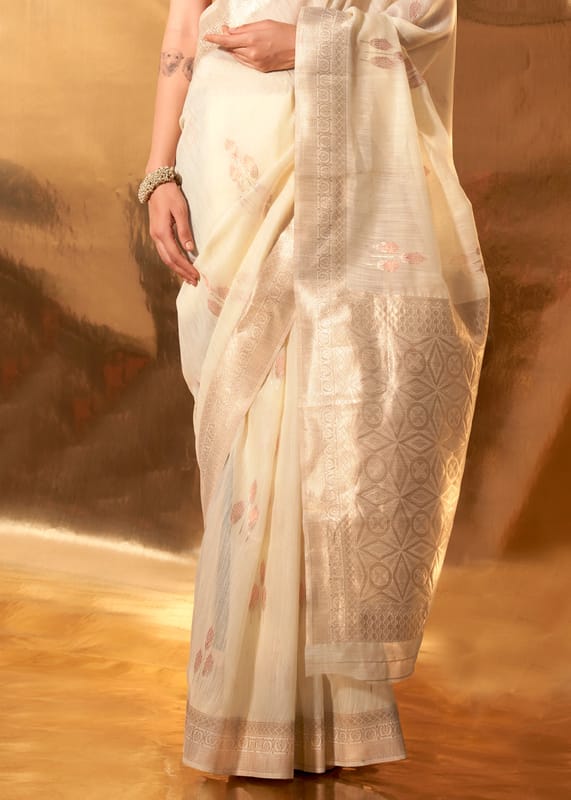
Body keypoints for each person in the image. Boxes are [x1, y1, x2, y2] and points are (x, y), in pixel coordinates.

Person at [140, 0, 490, 780]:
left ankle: (313, 717)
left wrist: (308, 43)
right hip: (225, 157)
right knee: (244, 417)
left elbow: (425, 12)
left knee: (308, 418)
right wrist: (159, 173)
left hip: (325, 152)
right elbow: (183, 22)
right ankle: (245, 704)